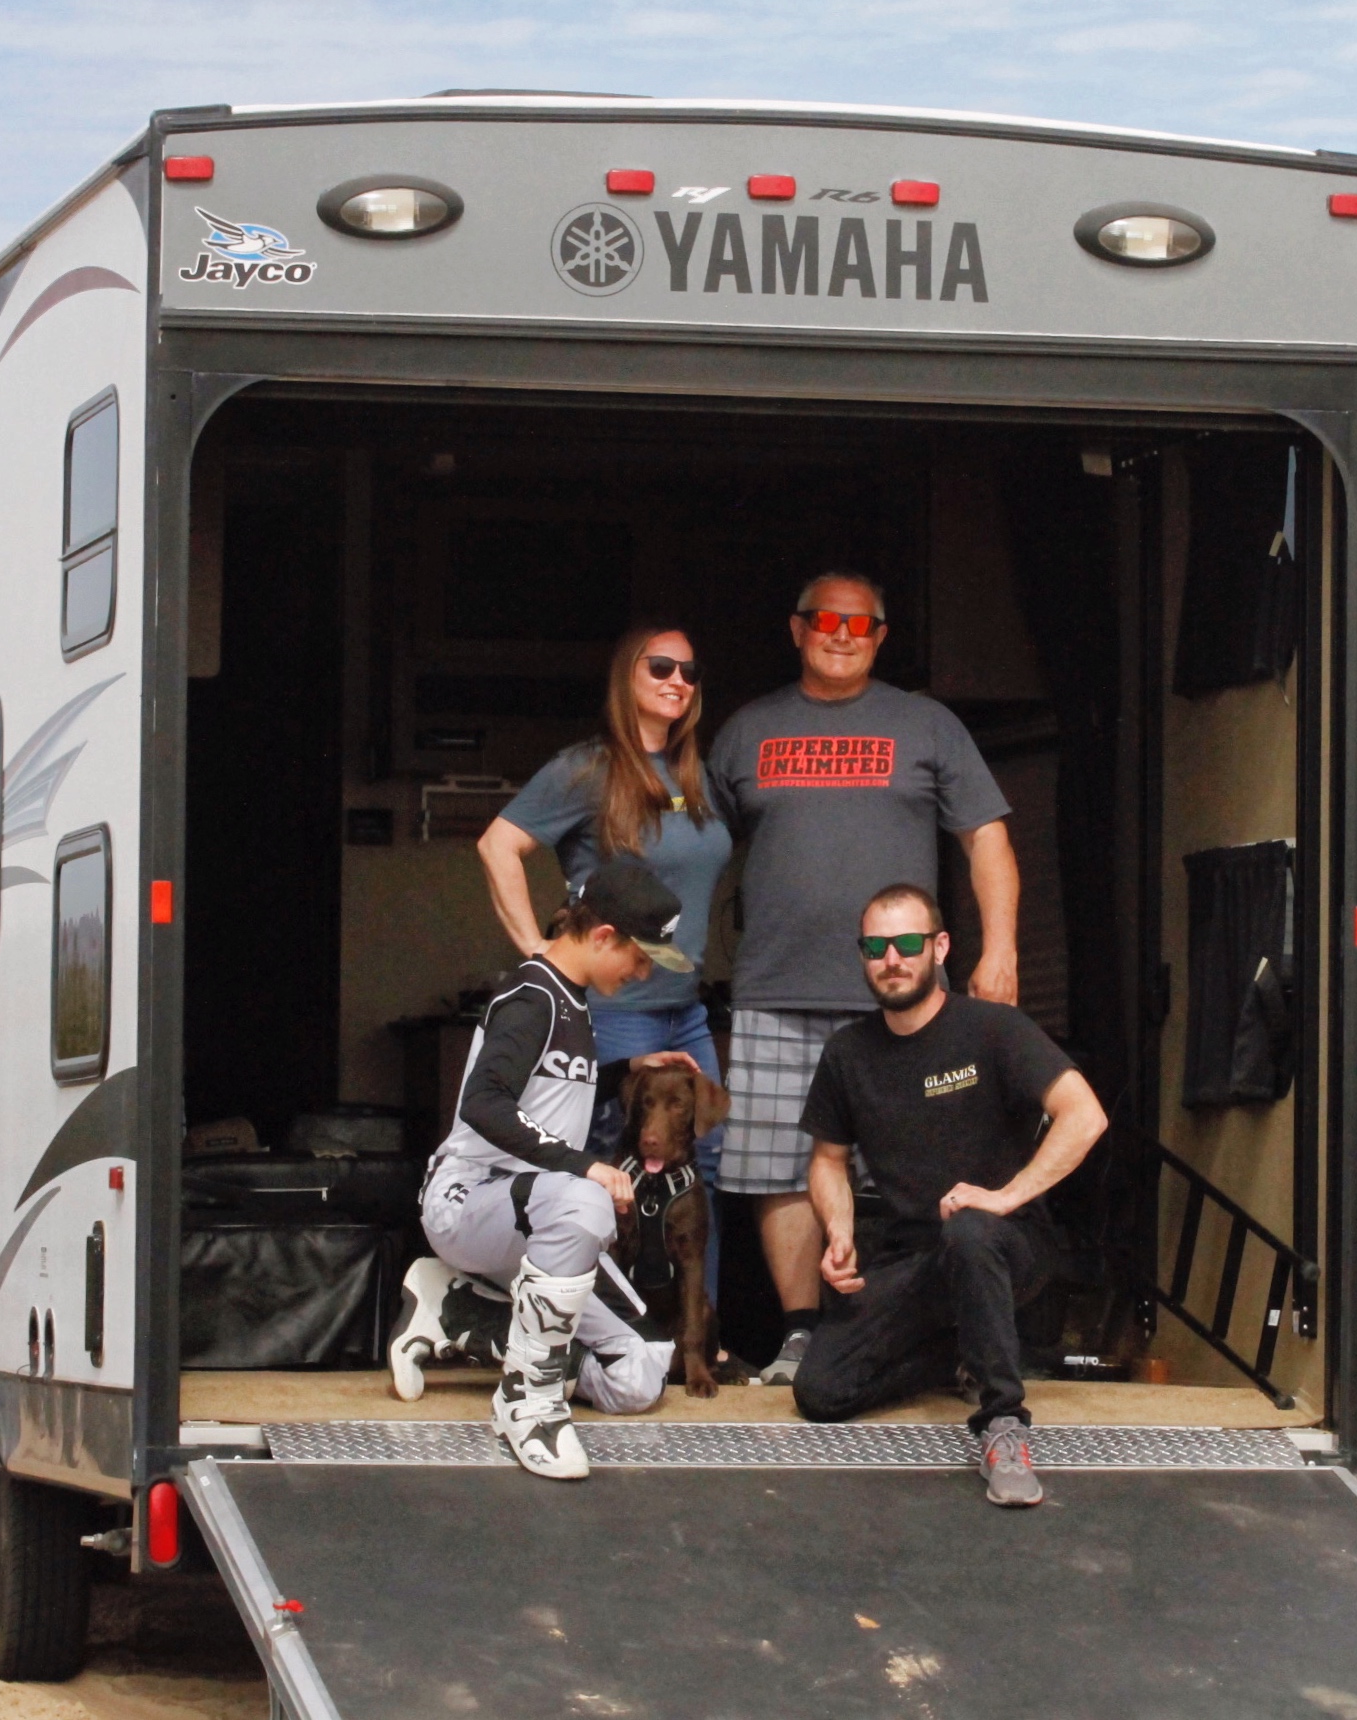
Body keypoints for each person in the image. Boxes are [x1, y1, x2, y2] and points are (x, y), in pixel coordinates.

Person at [706, 574, 1020, 1386]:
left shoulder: (926, 725)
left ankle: (935, 1335)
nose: (841, 633)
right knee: (783, 1170)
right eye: (824, 619)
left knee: (921, 1175)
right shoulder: (747, 731)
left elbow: (985, 840)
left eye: (859, 622)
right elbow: (693, 847)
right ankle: (805, 1333)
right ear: (796, 628)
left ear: (880, 636)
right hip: (776, 988)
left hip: (903, 998)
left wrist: (1000, 949)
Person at [790, 884, 1106, 1508]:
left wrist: (1007, 1196)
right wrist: (840, 1229)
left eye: (908, 944)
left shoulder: (993, 1028)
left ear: (939, 947)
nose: (892, 959)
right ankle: (957, 1353)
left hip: (1007, 1244)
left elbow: (1084, 1115)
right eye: (875, 947)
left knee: (968, 1228)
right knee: (820, 1393)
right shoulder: (847, 1053)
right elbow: (827, 1162)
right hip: (917, 1256)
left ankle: (1002, 1423)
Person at [387, 860, 703, 1481]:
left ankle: (468, 1314)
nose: (641, 973)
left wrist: (625, 1071)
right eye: (639, 957)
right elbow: (483, 1102)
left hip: (533, 1216)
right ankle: (527, 1400)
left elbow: (544, 1094)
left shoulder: (573, 1001)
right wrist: (583, 1166)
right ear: (604, 935)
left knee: (643, 1368)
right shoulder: (533, 996)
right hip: (467, 1201)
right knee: (586, 1201)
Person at [478, 623, 733, 1283]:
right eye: (661, 667)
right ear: (628, 676)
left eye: (690, 671)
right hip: (614, 1012)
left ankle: (694, 1343)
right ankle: (604, 1331)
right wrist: (541, 955)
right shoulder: (586, 768)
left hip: (686, 1011)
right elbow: (497, 845)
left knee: (700, 1168)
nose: (678, 680)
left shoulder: (694, 773)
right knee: (606, 1173)